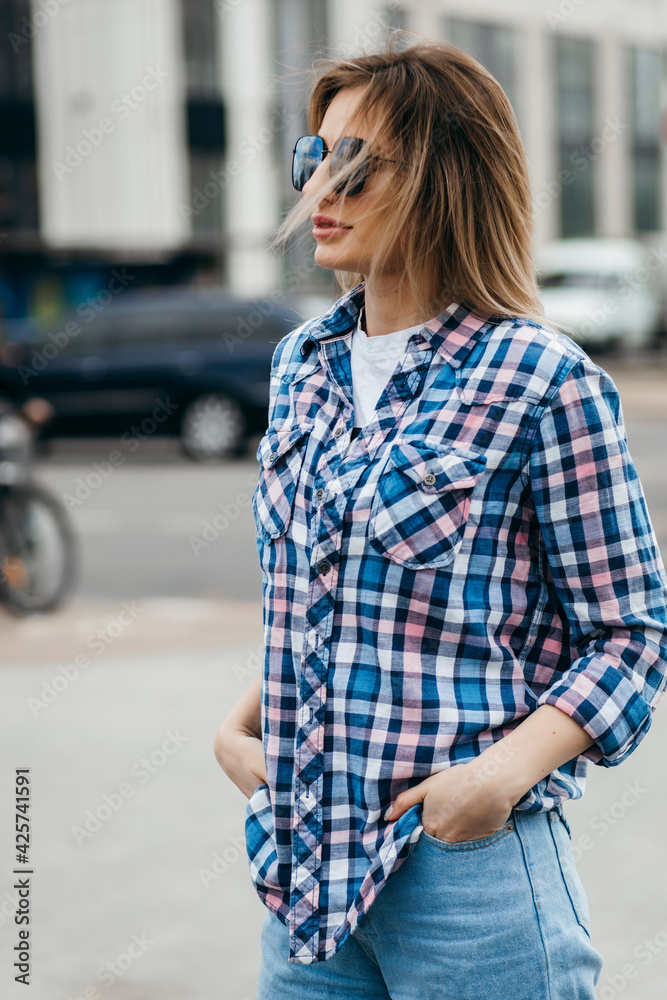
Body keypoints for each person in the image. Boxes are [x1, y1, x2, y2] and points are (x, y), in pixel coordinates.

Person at [214, 33, 667, 1000]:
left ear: (444, 177)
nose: (319, 189)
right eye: (312, 157)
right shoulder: (302, 367)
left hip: (467, 879)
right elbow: (311, 588)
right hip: (305, 878)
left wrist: (493, 780)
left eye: (355, 162)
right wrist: (240, 727)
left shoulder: (542, 380)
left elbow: (631, 634)